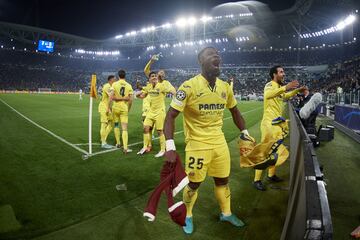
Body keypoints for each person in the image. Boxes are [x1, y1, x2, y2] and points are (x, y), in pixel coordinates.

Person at [164, 47, 251, 234]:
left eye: (218, 53)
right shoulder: (188, 87)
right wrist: (169, 146)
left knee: (223, 180)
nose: (217, 55)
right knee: (194, 184)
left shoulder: (225, 87)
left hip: (219, 143)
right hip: (197, 144)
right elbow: (170, 116)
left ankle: (226, 213)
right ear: (200, 61)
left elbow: (235, 111)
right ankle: (186, 215)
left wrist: (244, 131)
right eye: (211, 54)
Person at [253, 65, 305, 191]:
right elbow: (267, 95)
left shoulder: (279, 89)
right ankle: (257, 180)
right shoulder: (270, 85)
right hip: (268, 124)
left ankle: (271, 175)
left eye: (284, 72)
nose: (284, 74)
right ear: (274, 75)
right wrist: (285, 87)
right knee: (266, 152)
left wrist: (297, 90)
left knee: (275, 151)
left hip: (276, 125)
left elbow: (285, 96)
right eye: (281, 72)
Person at [136, 71, 171, 157]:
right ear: (149, 79)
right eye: (152, 76)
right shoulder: (148, 87)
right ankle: (145, 147)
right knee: (145, 128)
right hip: (151, 112)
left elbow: (171, 91)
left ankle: (163, 150)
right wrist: (138, 95)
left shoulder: (161, 86)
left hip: (160, 111)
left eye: (155, 76)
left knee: (160, 131)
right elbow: (143, 96)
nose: (154, 77)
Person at [110, 70, 134, 153]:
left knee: (116, 125)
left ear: (118, 76)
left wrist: (109, 106)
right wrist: (128, 107)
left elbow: (111, 97)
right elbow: (131, 100)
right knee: (124, 129)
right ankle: (125, 148)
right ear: (125, 76)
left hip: (115, 107)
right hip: (124, 108)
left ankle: (118, 143)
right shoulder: (129, 85)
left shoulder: (114, 84)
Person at [98, 76, 116, 149]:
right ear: (111, 80)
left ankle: (103, 138)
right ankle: (103, 143)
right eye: (114, 79)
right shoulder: (107, 86)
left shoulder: (111, 87)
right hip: (104, 107)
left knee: (111, 123)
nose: (116, 80)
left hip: (108, 107)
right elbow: (111, 96)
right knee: (104, 124)